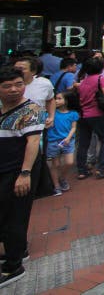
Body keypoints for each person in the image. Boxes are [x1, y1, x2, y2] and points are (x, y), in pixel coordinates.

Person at [0, 67, 45, 287]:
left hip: (19, 171)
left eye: (18, 84)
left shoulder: (33, 110)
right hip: (3, 169)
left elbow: (33, 142)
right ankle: (16, 250)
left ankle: (13, 266)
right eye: (7, 86)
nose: (13, 90)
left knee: (15, 215)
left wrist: (25, 173)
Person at [75, 57, 104, 179]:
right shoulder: (100, 78)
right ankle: (102, 169)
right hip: (97, 114)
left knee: (83, 143)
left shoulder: (83, 81)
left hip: (83, 115)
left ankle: (82, 170)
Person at [46, 90, 81, 196]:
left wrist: (68, 138)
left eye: (59, 98)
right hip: (53, 141)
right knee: (55, 164)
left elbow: (74, 127)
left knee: (69, 162)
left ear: (67, 100)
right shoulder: (51, 113)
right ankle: (56, 186)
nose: (56, 100)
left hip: (68, 141)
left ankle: (62, 178)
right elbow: (46, 124)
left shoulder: (73, 113)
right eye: (56, 98)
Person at [13, 56, 55, 126]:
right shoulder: (6, 85)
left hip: (36, 127)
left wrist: (51, 117)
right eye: (15, 68)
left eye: (21, 69)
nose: (16, 71)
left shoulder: (44, 83)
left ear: (33, 71)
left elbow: (50, 100)